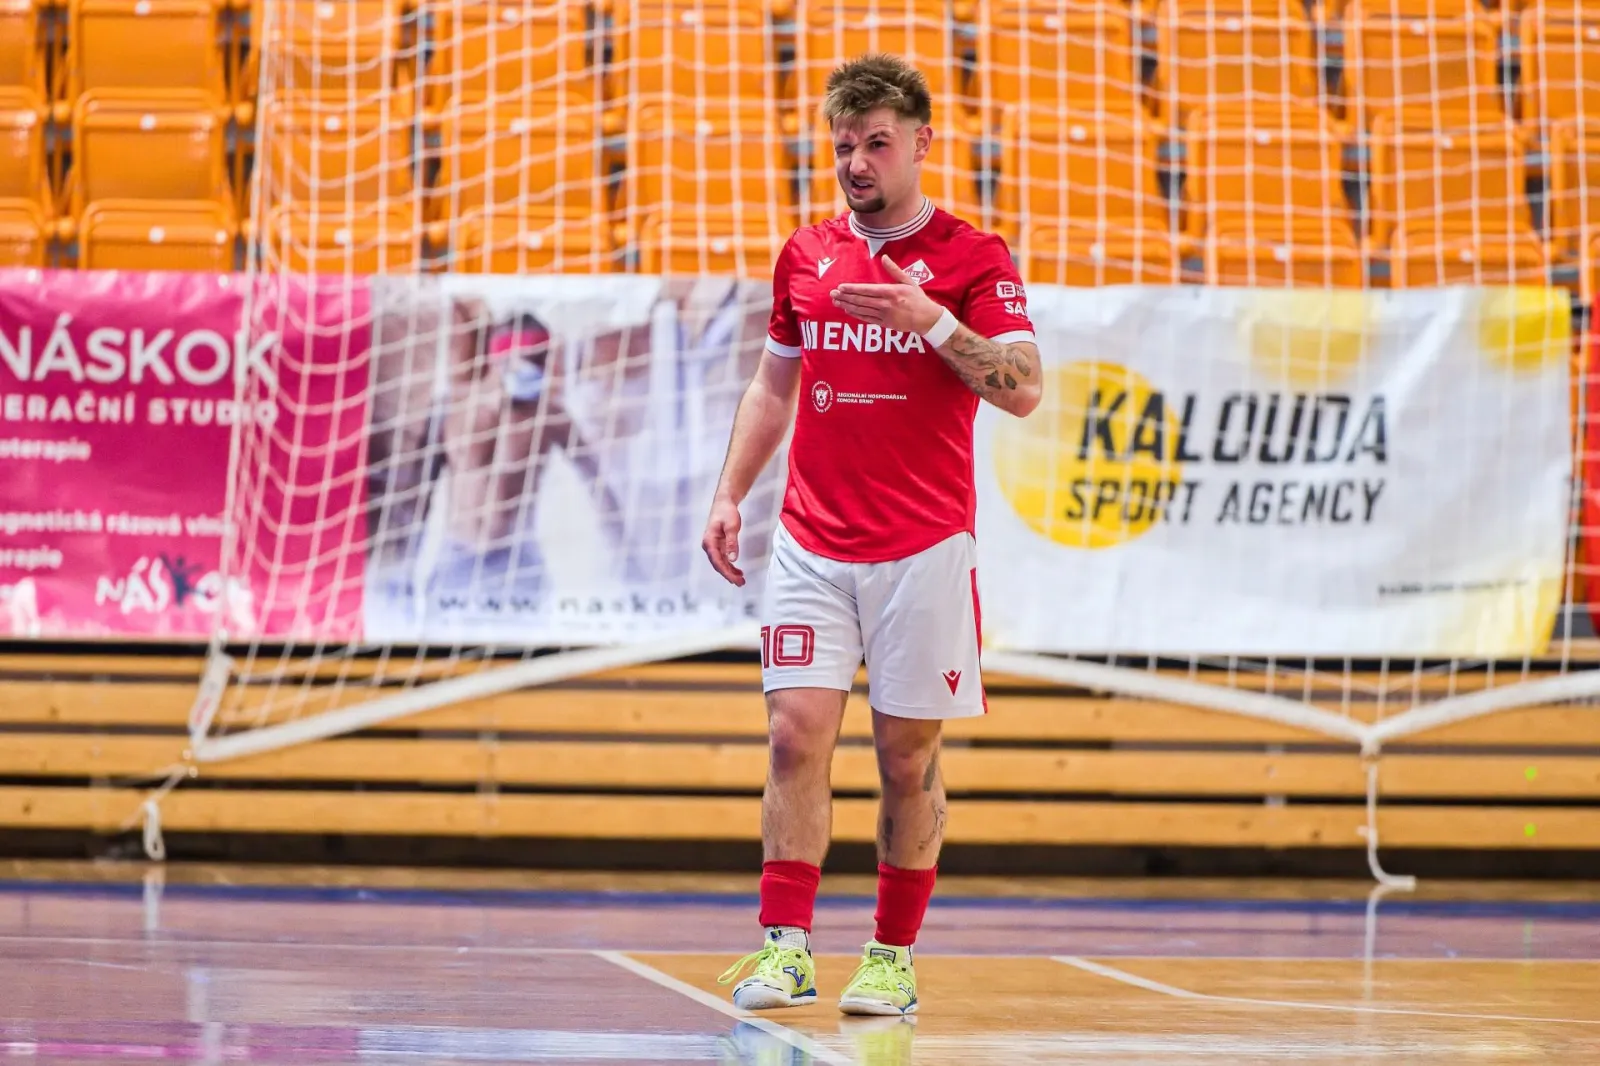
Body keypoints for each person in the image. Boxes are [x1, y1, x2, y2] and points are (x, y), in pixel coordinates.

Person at [703, 53, 1043, 1016]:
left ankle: (891, 957)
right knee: (791, 737)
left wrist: (929, 320)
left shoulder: (974, 258)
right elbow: (774, 385)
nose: (856, 162)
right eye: (844, 144)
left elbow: (1022, 389)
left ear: (921, 143)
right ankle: (785, 949)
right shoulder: (806, 254)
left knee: (905, 757)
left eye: (877, 143)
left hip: (924, 548)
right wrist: (730, 493)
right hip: (811, 542)